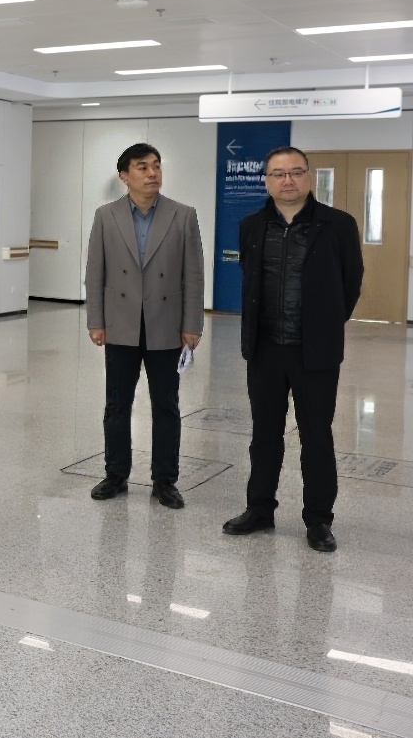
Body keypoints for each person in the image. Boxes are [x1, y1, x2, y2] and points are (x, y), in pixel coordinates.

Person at [222, 146, 363, 553]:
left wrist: (323, 325)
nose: (288, 180)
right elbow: (250, 276)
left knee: (316, 436)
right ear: (266, 180)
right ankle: (259, 509)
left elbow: (350, 282)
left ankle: (318, 519)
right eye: (279, 174)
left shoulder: (337, 224)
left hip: (314, 351)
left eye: (296, 172)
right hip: (265, 348)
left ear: (309, 177)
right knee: (264, 434)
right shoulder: (252, 226)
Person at [85, 143, 204, 509]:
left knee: (166, 405)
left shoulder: (183, 215)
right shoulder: (106, 216)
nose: (152, 173)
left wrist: (192, 324)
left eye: (156, 166)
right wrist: (96, 320)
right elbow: (95, 271)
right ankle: (116, 474)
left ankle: (165, 480)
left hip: (166, 324)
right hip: (120, 323)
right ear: (124, 175)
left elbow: (194, 275)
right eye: (142, 167)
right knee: (117, 404)